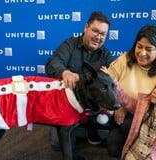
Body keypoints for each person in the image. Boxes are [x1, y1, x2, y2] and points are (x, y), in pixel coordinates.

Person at [104, 24, 156, 158]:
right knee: (113, 147)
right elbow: (108, 80)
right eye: (139, 46)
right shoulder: (125, 58)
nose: (142, 53)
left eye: (148, 49)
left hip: (151, 124)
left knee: (128, 125)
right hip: (123, 114)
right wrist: (117, 105)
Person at [45, 11, 114, 148]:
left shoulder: (106, 54)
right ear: (86, 27)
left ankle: (90, 128)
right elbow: (53, 63)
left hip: (92, 109)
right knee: (57, 144)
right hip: (66, 106)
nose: (98, 37)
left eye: (103, 34)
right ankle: (72, 129)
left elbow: (114, 79)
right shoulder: (69, 45)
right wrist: (64, 72)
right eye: (95, 31)